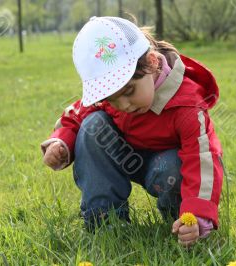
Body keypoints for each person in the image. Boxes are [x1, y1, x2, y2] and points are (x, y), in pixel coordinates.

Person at [41, 16, 223, 247]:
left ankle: (181, 221)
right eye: (112, 99)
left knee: (173, 167)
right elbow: (80, 112)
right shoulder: (117, 95)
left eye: (129, 91)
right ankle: (105, 220)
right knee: (93, 125)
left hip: (166, 168)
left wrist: (197, 214)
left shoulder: (186, 106)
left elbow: (202, 160)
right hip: (127, 155)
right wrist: (61, 142)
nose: (124, 105)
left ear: (153, 63)